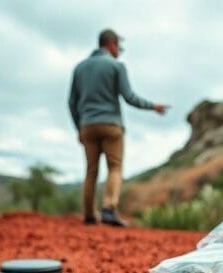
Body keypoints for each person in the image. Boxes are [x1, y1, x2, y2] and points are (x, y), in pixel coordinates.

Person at [69, 29, 169, 227]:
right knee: (114, 167)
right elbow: (129, 97)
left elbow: (72, 102)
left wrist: (78, 127)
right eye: (119, 47)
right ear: (112, 44)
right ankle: (108, 208)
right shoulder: (116, 66)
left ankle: (89, 215)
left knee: (91, 171)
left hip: (87, 125)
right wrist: (153, 106)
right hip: (111, 125)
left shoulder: (79, 68)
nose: (119, 52)